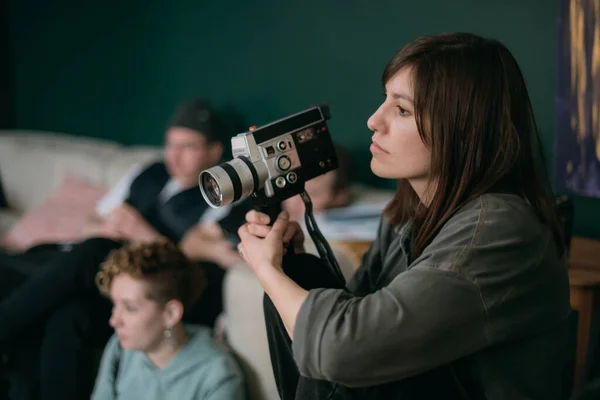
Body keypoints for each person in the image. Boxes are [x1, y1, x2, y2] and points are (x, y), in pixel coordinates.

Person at [236, 33, 571, 399]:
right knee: (298, 279)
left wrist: (265, 270)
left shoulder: (498, 229)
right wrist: (287, 263)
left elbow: (345, 350)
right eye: (385, 101)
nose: (373, 121)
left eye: (402, 110)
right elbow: (357, 307)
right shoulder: (408, 212)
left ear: (461, 131)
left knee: (347, 354)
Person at [0, 98, 248, 400]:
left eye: (188, 147)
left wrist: (140, 233)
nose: (175, 156)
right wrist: (105, 227)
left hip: (147, 288)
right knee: (57, 291)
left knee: (83, 279)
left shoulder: (221, 192)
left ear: (214, 151)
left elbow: (192, 254)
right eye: (170, 145)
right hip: (100, 271)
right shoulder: (149, 173)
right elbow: (91, 221)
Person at [91, 239, 245, 400]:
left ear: (170, 314)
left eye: (130, 308)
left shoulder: (219, 376)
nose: (114, 321)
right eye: (115, 305)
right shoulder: (118, 348)